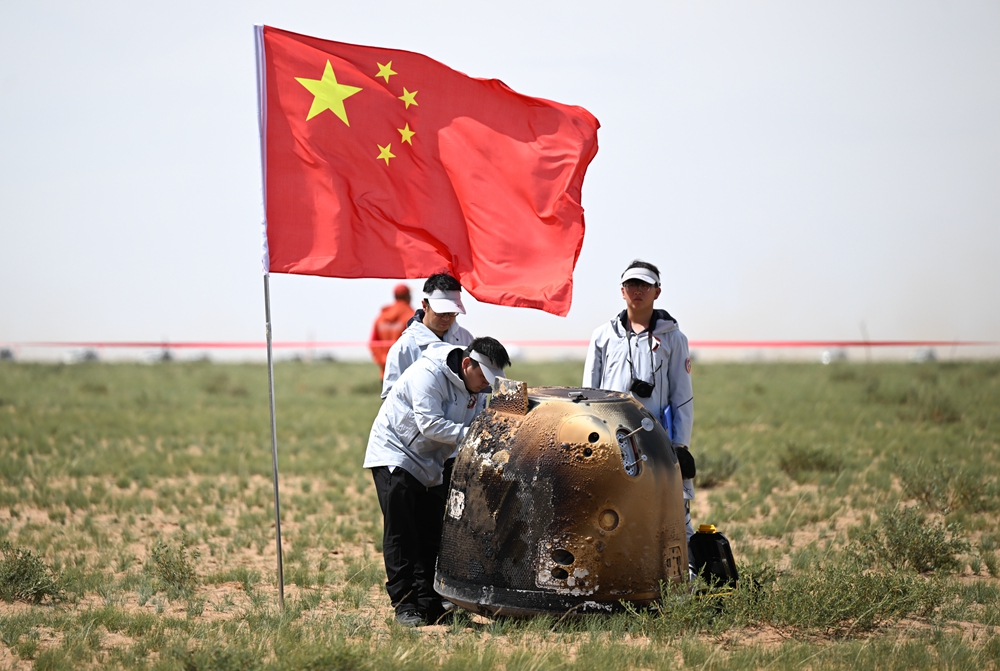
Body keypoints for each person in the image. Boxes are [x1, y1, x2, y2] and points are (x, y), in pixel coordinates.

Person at [364, 337, 511, 626]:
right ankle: (405, 605)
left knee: (431, 533)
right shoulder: (427, 374)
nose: (486, 384)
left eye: (491, 379)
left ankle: (430, 604)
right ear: (467, 364)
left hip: (432, 461)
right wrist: (475, 434)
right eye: (483, 376)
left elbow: (477, 422)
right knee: (402, 533)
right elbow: (429, 425)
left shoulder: (478, 388)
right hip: (397, 454)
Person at [582, 259, 696, 540]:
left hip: (657, 438)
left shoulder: (673, 338)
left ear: (657, 291)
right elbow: (588, 394)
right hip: (611, 439)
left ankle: (688, 565)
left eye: (645, 284)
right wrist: (589, 437)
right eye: (632, 284)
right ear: (622, 291)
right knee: (610, 508)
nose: (638, 290)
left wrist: (680, 445)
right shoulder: (603, 336)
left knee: (671, 509)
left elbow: (682, 397)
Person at [381, 273, 474, 399]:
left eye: (452, 312)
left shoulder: (466, 338)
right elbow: (391, 396)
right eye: (441, 312)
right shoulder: (405, 346)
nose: (446, 318)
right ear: (425, 306)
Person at [369, 284, 413, 379]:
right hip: (407, 373)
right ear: (408, 296)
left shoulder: (381, 317)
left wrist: (383, 361)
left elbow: (373, 343)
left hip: (386, 373)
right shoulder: (412, 316)